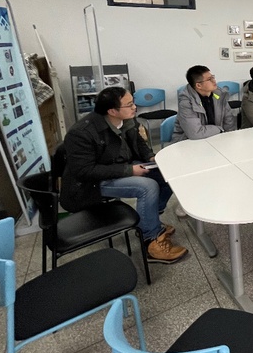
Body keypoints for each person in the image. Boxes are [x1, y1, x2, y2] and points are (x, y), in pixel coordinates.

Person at [60, 87, 188, 264]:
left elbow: (139, 143)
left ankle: (149, 221)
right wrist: (129, 171)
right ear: (112, 111)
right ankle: (151, 242)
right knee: (147, 187)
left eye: (133, 102)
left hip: (122, 165)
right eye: (129, 105)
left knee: (166, 174)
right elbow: (84, 171)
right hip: (95, 182)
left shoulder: (127, 119)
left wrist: (151, 158)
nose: (135, 107)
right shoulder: (81, 132)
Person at [171, 65, 236, 142]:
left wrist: (228, 139)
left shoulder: (220, 95)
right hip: (188, 142)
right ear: (199, 85)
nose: (214, 81)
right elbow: (195, 133)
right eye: (209, 79)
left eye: (213, 77)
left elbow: (229, 123)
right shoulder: (186, 101)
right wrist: (219, 129)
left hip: (216, 137)